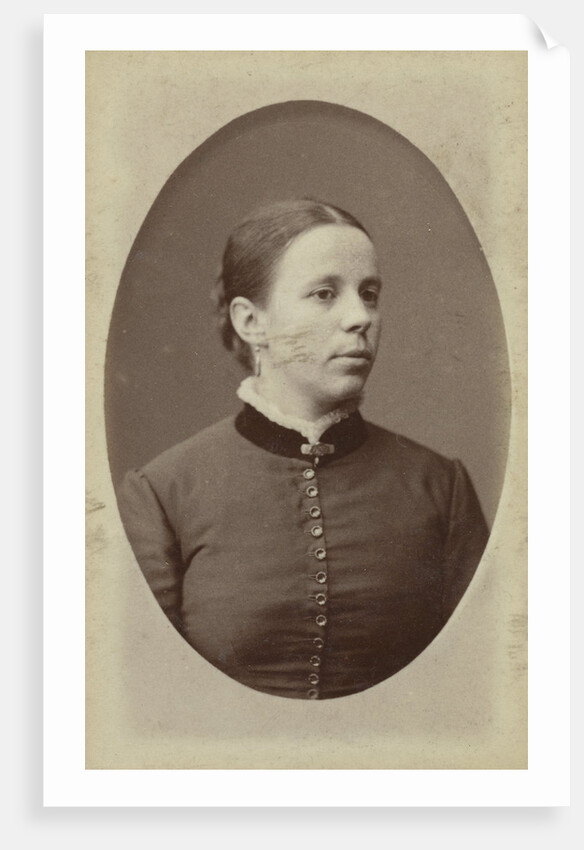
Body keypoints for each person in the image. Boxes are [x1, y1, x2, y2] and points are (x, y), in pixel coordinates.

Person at [116, 198, 489, 701]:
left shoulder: (440, 488)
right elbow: (140, 701)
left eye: (370, 294)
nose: (360, 317)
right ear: (251, 322)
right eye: (323, 294)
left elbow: (481, 693)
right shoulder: (162, 495)